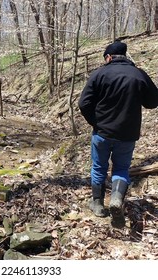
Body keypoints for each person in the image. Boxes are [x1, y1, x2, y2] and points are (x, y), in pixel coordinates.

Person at [78, 40, 158, 228]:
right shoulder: (138, 74)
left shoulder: (100, 74)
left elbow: (83, 103)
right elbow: (153, 101)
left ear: (109, 57)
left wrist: (95, 122)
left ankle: (98, 205)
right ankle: (116, 198)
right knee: (121, 169)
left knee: (99, 167)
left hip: (102, 133)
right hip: (127, 134)